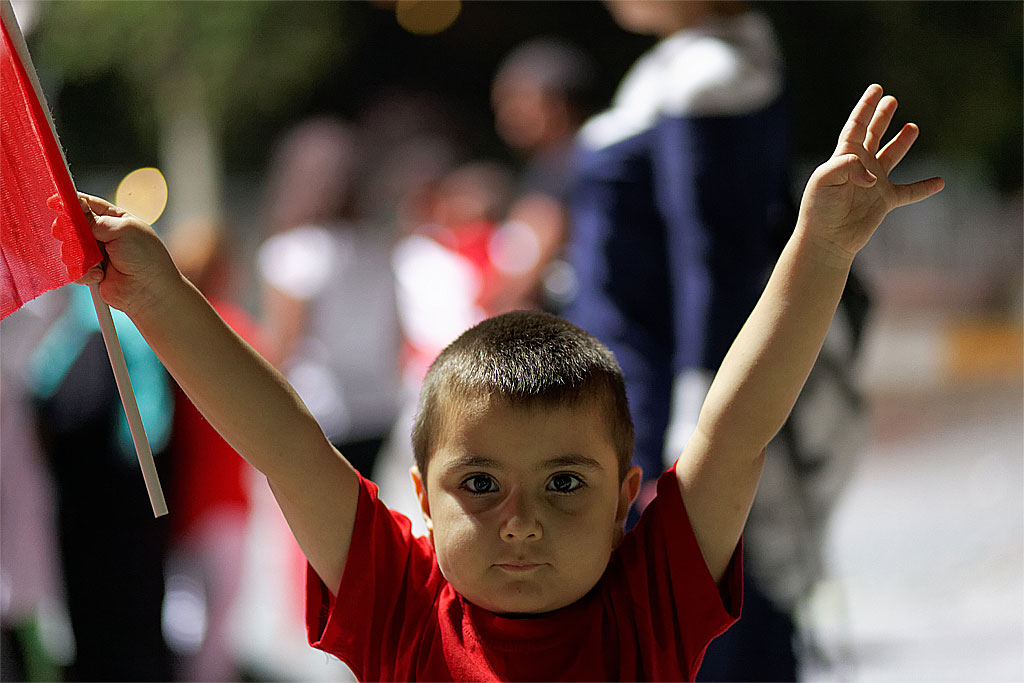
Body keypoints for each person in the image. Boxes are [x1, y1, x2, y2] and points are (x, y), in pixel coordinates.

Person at [74, 85, 943, 681]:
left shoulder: (652, 603)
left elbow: (734, 426)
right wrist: (157, 295)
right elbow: (285, 441)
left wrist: (821, 249)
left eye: (565, 482)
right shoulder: (401, 606)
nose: (520, 521)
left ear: (624, 499)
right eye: (479, 484)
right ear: (419, 496)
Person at [566, 2, 873, 677]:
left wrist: (698, 429)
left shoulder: (714, 75)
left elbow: (717, 267)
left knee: (710, 627)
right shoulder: (683, 65)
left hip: (669, 413)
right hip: (631, 401)